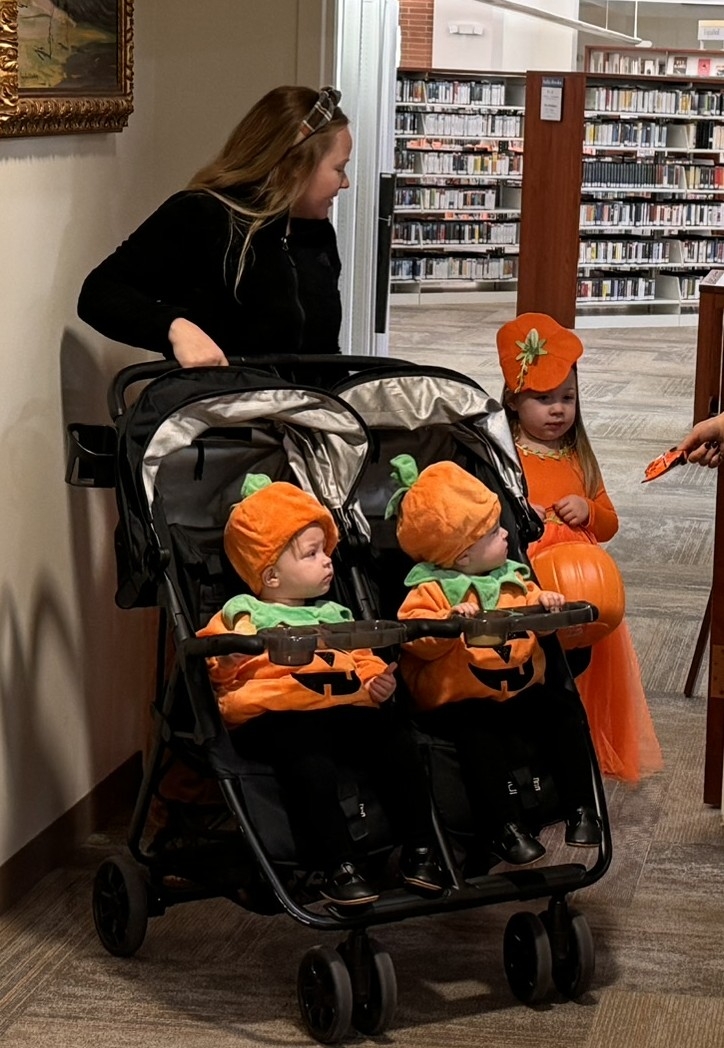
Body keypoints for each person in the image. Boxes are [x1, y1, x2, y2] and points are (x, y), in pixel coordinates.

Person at [197, 474, 444, 907]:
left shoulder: (334, 613)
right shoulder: (243, 613)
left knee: (395, 738)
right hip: (276, 717)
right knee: (309, 759)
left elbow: (362, 657)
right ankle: (338, 865)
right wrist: (230, 657)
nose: (328, 561)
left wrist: (376, 682)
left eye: (326, 551)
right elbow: (213, 660)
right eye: (312, 554)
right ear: (271, 575)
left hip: (337, 710)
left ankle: (421, 848)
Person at [387, 455, 602, 865]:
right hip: (460, 700)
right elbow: (417, 644)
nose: (506, 533)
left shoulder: (514, 579)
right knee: (478, 736)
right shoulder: (430, 592)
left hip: (518, 690)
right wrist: (449, 624)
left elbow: (539, 632)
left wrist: (544, 607)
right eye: (492, 531)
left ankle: (581, 807)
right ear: (462, 555)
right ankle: (505, 826)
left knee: (563, 709)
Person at [77, 85, 351, 374]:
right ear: (297, 165)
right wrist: (175, 327)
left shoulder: (317, 234)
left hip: (311, 403)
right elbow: (100, 295)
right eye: (339, 169)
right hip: (226, 399)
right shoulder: (201, 216)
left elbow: (325, 353)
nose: (345, 183)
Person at [496, 312, 663, 784]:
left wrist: (589, 510)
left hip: (587, 584)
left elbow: (609, 523)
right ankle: (533, 752)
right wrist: (522, 514)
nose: (558, 410)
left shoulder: (577, 455)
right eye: (543, 398)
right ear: (513, 401)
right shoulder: (506, 457)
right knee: (536, 668)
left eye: (567, 398)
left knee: (579, 667)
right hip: (533, 578)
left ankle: (574, 745)